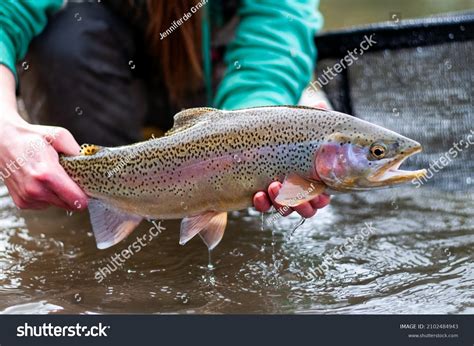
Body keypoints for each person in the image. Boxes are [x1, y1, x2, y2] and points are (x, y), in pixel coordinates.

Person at [0, 0, 330, 218]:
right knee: (66, 42)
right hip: (99, 77)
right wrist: (5, 129)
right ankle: (100, 202)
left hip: (225, 91)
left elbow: (274, 41)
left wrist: (258, 143)